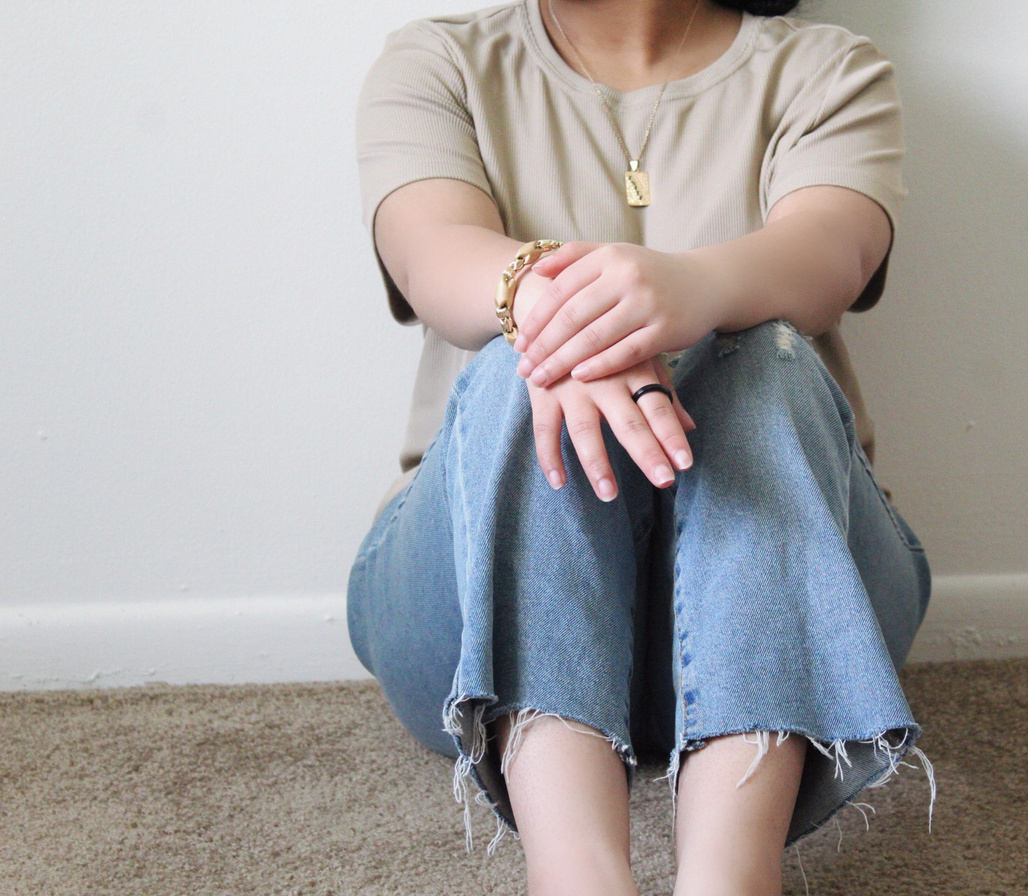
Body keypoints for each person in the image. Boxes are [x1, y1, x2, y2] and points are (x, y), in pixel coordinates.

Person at [345, 0, 933, 892]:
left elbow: (831, 254)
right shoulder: (438, 63)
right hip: (471, 611)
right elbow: (431, 254)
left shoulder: (827, 69)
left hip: (787, 605)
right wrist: (551, 314)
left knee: (766, 354)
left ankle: (732, 876)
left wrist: (695, 289)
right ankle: (576, 876)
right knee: (522, 361)